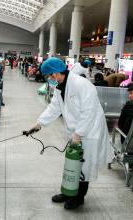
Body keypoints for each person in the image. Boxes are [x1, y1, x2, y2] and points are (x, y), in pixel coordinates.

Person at [27, 57, 111, 210]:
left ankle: (79, 197)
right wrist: (39, 123)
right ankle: (68, 191)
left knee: (83, 167)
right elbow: (54, 108)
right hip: (76, 131)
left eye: (50, 76)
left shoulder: (82, 84)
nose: (49, 79)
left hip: (90, 131)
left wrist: (79, 133)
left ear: (57, 72)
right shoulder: (60, 87)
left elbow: (89, 111)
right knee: (72, 163)